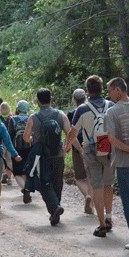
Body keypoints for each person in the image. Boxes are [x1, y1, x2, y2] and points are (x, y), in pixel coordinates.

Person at [67, 75, 114, 237]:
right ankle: (109, 217)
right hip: (108, 147)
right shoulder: (111, 105)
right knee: (108, 184)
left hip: (90, 149)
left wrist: (67, 146)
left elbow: (73, 133)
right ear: (101, 89)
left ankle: (102, 225)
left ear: (87, 90)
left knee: (97, 187)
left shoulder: (82, 109)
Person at [24, 88, 78, 226]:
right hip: (58, 154)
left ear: (37, 101)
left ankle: (55, 208)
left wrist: (32, 139)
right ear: (51, 99)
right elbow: (70, 132)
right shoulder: (60, 115)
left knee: (44, 183)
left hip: (42, 157)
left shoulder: (33, 118)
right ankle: (56, 209)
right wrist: (69, 146)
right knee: (57, 182)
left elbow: (25, 137)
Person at [104, 77, 129, 250]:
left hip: (124, 163)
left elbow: (111, 138)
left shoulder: (112, 112)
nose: (109, 94)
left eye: (110, 91)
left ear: (117, 90)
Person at [67, 89, 93, 214]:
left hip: (77, 147)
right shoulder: (91, 109)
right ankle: (91, 198)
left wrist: (70, 147)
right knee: (90, 176)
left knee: (79, 178)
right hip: (92, 145)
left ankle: (87, 196)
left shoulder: (71, 113)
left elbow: (71, 133)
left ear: (74, 99)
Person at [9, 100, 31, 203]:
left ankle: (24, 188)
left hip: (16, 148)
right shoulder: (31, 118)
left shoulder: (13, 119)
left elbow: (10, 135)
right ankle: (27, 188)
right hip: (29, 148)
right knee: (25, 171)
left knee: (17, 172)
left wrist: (10, 149)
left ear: (18, 108)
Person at [0, 102, 13, 185]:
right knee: (9, 160)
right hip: (9, 142)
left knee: (1, 159)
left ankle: (3, 175)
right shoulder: (11, 118)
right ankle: (9, 178)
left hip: (1, 142)